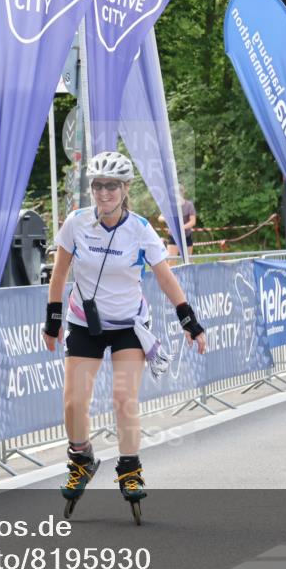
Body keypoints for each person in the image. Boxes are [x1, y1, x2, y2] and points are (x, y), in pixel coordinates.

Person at [43, 151, 207, 516]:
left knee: (123, 398)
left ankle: (130, 469)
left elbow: (165, 275)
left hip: (128, 326)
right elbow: (59, 275)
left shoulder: (140, 229)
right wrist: (53, 321)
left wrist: (189, 321)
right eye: (98, 185)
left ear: (125, 188)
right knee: (73, 401)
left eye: (112, 186)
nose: (104, 193)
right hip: (85, 322)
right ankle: (81, 458)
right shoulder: (76, 223)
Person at [158, 184, 197, 258]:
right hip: (173, 236)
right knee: (172, 261)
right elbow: (160, 218)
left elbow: (193, 221)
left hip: (186, 236)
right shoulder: (170, 205)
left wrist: (181, 227)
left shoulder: (189, 205)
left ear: (182, 193)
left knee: (188, 261)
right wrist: (167, 219)